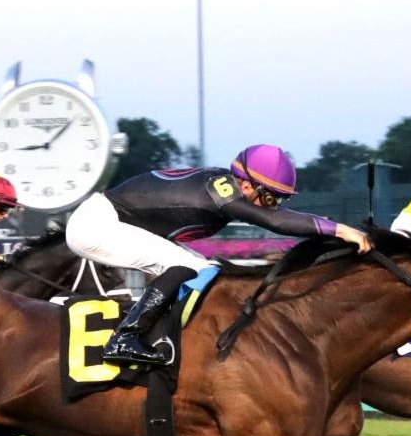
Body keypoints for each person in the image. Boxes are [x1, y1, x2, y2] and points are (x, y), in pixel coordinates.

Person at [66, 144, 373, 365]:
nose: (273, 206)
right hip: (97, 224)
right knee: (188, 266)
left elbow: (276, 216)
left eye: (279, 200)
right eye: (270, 198)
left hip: (111, 219)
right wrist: (340, 229)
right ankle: (124, 338)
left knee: (207, 269)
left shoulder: (228, 185)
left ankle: (164, 335)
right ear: (246, 185)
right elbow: (277, 222)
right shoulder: (223, 193)